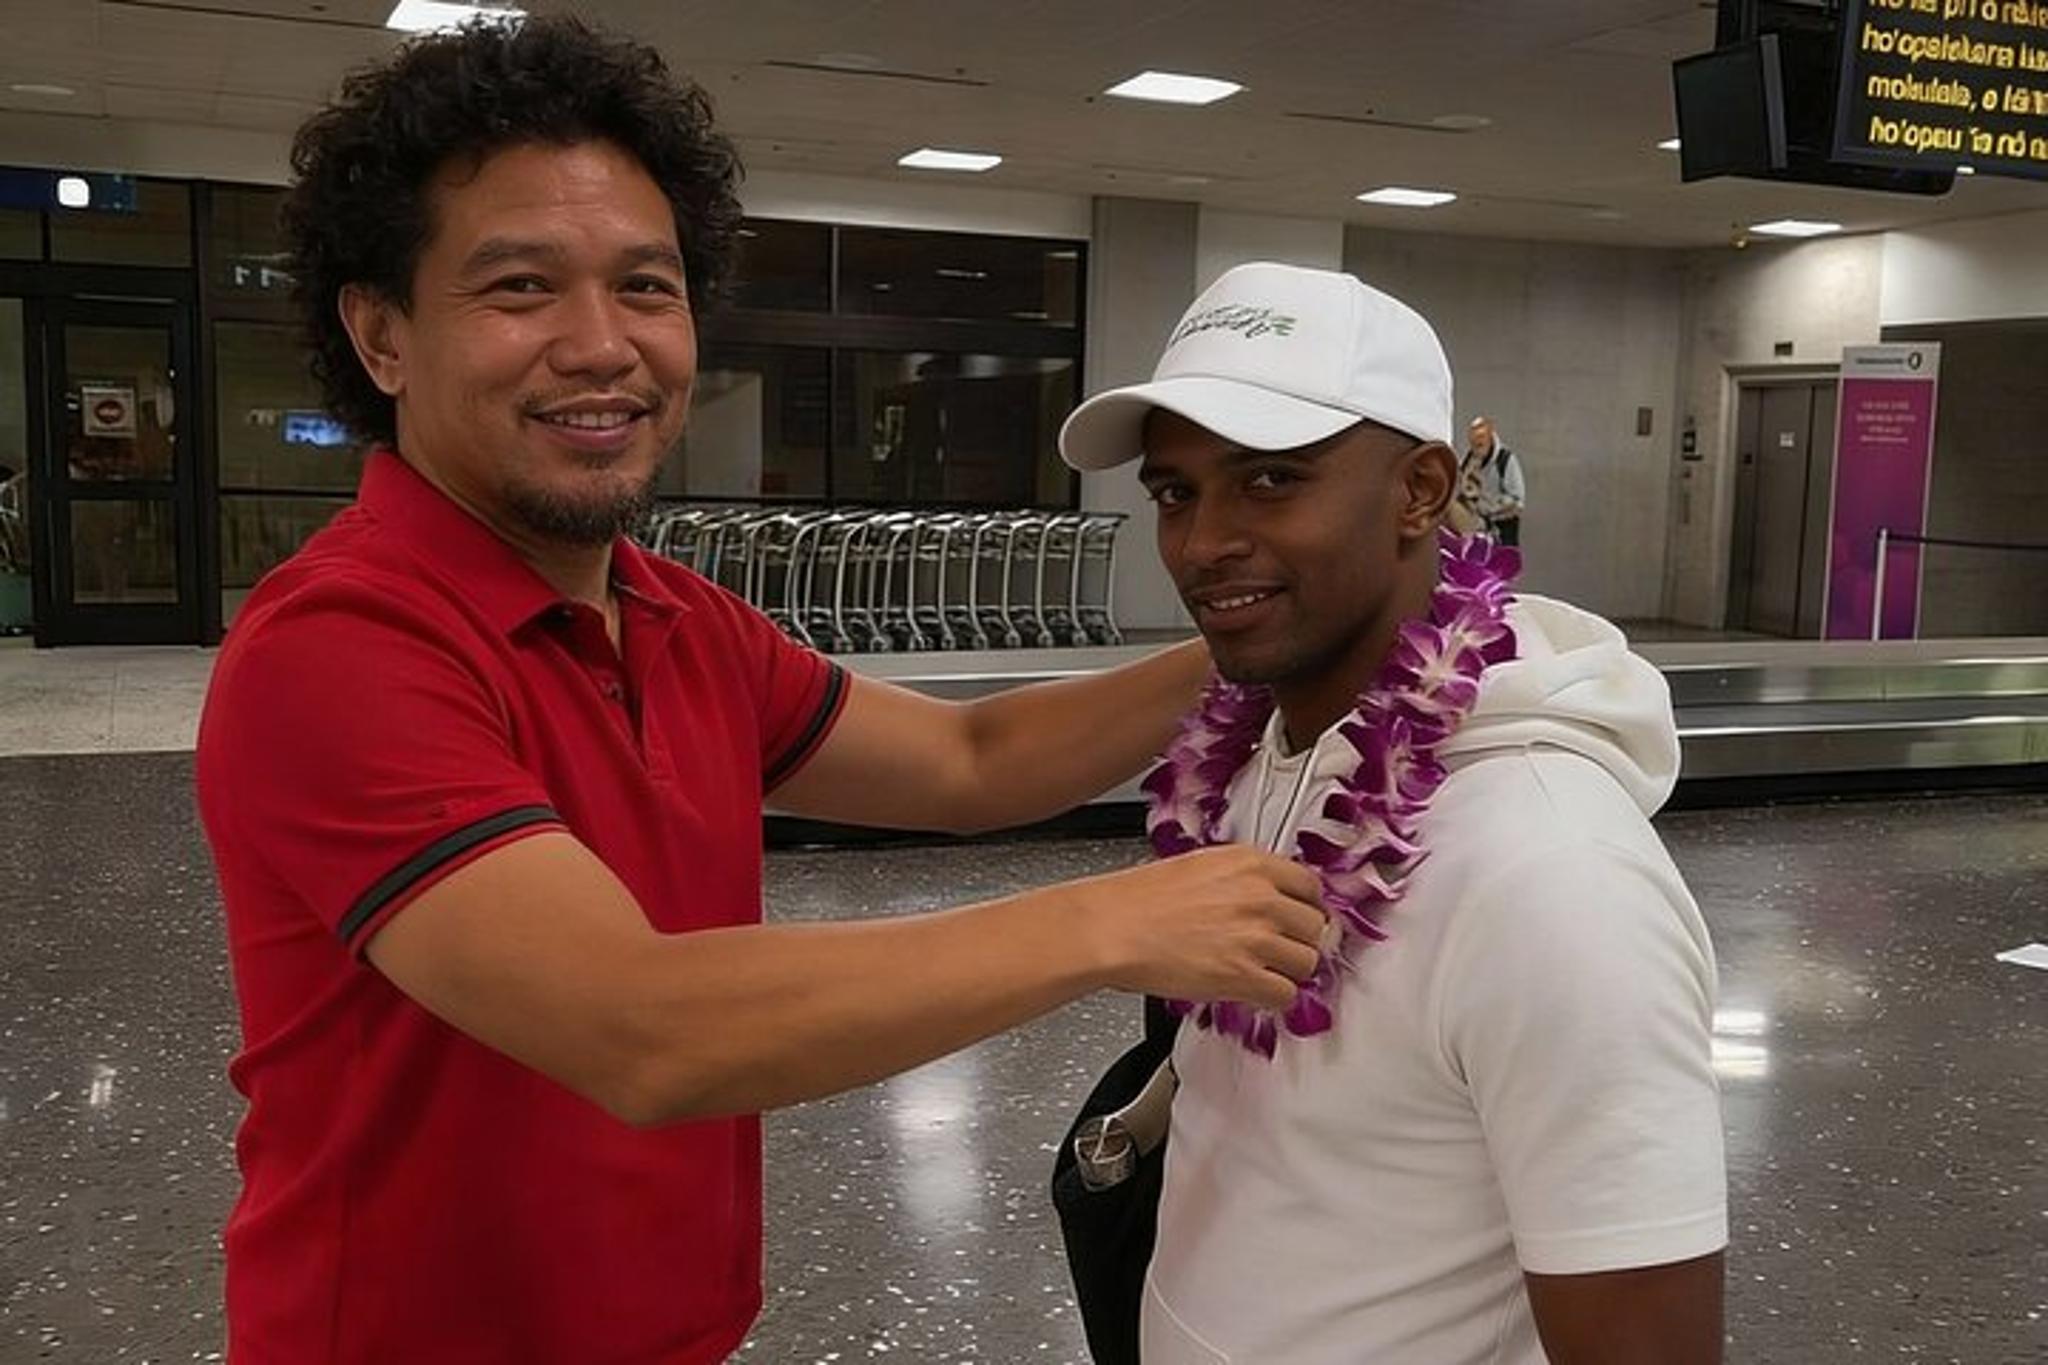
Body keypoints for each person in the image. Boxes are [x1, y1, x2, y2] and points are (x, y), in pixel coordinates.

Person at [193, 20, 1328, 1364]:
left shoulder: (672, 617)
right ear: (382, 334)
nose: (600, 344)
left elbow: (971, 762)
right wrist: (1109, 923)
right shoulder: (341, 643)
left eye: (646, 286)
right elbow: (638, 1025)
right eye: (519, 288)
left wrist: (1254, 639)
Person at [1057, 262, 1726, 1364]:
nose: (1202, 541)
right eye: (1175, 493)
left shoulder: (1552, 875)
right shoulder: (1254, 759)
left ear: (1420, 489)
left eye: (1269, 479)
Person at [1462, 414, 1526, 546]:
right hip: (1476, 533)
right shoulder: (1468, 460)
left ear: (1490, 438)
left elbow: (1517, 500)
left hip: (1502, 533)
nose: (1476, 449)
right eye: (1473, 444)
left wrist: (1489, 510)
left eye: (1480, 444)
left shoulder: (1506, 460)